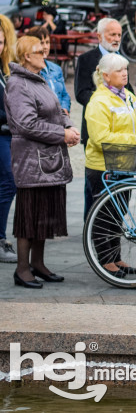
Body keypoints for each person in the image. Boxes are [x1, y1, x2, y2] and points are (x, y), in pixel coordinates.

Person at [5, 36, 80, 289]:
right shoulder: (17, 83)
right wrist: (61, 134)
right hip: (30, 160)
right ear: (26, 56)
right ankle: (22, 269)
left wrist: (68, 125)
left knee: (44, 215)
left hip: (47, 159)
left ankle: (38, 264)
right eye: (39, 50)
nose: (44, 52)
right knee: (29, 216)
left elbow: (56, 110)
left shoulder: (40, 79)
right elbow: (27, 124)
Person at [83, 53, 136, 275]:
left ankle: (117, 258)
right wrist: (133, 139)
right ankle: (105, 261)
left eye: (125, 69)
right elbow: (99, 136)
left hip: (123, 165)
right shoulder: (98, 101)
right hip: (102, 167)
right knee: (104, 215)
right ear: (105, 76)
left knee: (118, 214)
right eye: (119, 71)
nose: (125, 73)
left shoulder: (128, 95)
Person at [74, 17, 132, 216]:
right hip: (96, 129)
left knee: (120, 185)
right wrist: (107, 101)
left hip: (121, 134)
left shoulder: (122, 61)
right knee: (95, 183)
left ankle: (114, 224)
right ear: (99, 36)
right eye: (112, 34)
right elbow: (81, 93)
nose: (116, 39)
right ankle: (90, 223)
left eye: (119, 34)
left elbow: (129, 94)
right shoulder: (86, 59)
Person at [0, 15, 17, 263]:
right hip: (3, 132)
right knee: (9, 182)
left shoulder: (4, 70)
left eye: (2, 42)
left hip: (5, 134)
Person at [25, 26, 71, 115]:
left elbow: (65, 95)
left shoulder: (56, 68)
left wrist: (65, 109)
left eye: (47, 42)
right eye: (41, 43)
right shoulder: (31, 71)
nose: (45, 47)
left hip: (62, 119)